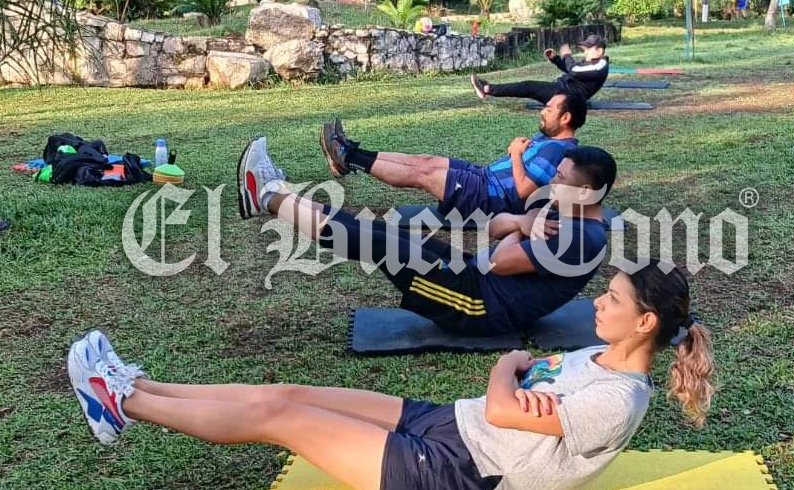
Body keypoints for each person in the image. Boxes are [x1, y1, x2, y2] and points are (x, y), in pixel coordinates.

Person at [68, 260, 716, 490]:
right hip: (449, 425)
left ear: (643, 323)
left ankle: (121, 404)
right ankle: (139, 385)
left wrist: (506, 365)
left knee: (280, 418)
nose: (598, 302)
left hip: (460, 474)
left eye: (612, 300)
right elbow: (519, 389)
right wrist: (514, 376)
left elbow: (505, 401)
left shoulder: (617, 400)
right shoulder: (595, 357)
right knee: (291, 394)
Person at [239, 136, 613, 335]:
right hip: (473, 273)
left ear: (585, 191)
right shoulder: (563, 209)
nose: (551, 181)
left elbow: (501, 261)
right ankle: (277, 194)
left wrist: (521, 225)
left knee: (376, 244)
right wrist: (520, 222)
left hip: (477, 307)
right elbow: (495, 226)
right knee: (380, 232)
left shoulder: (581, 239)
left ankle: (268, 197)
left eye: (560, 177)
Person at [318, 91, 586, 218]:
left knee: (424, 174)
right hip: (484, 175)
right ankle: (350, 151)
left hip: (490, 198)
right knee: (425, 161)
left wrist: (516, 153)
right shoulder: (549, 139)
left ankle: (348, 158)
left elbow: (525, 191)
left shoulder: (558, 150)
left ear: (566, 118)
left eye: (549, 109)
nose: (543, 111)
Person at [470, 35, 610, 106]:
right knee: (528, 87)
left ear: (599, 51)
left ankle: (486, 89)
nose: (585, 52)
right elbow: (572, 71)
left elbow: (573, 70)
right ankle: (487, 88)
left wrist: (567, 55)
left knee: (528, 86)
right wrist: (555, 58)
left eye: (588, 49)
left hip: (568, 97)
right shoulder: (593, 62)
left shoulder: (600, 65)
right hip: (563, 90)